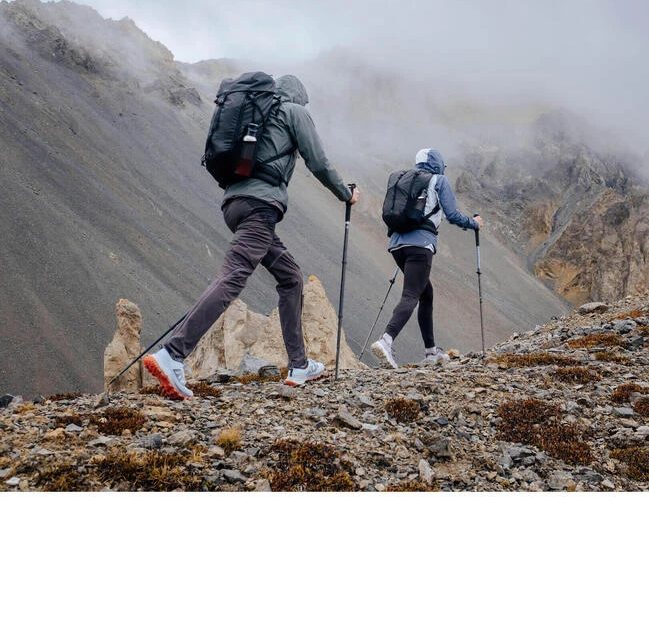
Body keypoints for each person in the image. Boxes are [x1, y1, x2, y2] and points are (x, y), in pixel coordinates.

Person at [144, 74, 359, 399]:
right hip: (260, 207)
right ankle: (172, 353)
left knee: (291, 277)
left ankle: (299, 365)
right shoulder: (294, 111)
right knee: (233, 277)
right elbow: (318, 162)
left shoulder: (261, 113)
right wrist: (346, 193)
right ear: (300, 98)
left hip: (235, 204)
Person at [371, 148, 482, 368]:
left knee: (426, 294)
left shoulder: (406, 180)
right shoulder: (438, 181)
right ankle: (386, 340)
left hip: (397, 245)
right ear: (438, 164)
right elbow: (452, 215)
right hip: (420, 246)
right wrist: (474, 223)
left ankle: (431, 351)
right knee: (411, 294)